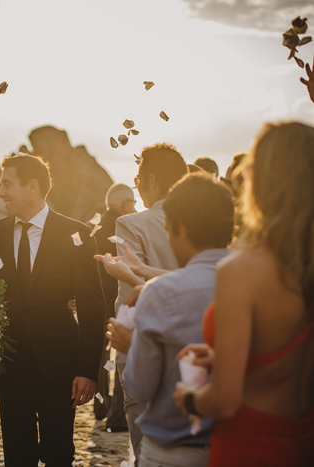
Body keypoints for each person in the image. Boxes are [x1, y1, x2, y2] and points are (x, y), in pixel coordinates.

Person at [174, 122, 314, 465]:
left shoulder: (242, 271)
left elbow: (225, 400)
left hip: (247, 446)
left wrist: (189, 399)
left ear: (261, 182)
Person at [0, 154, 105, 467]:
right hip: (9, 366)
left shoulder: (76, 234)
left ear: (31, 186)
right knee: (16, 455)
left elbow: (93, 305)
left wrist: (88, 370)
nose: (1, 192)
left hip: (60, 364)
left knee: (59, 451)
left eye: (7, 184)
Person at [123, 173, 233, 467]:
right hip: (239, 444)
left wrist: (131, 345)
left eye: (169, 231)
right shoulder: (259, 281)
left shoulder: (161, 293)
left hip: (175, 450)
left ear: (181, 230)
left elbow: (141, 388)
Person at [109, 143, 188, 463]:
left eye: (138, 178)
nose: (137, 185)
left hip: (142, 346)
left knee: (146, 453)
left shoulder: (132, 223)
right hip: (195, 347)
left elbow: (131, 297)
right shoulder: (202, 223)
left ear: (152, 180)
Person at [93, 183, 135, 431]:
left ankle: (101, 406)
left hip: (96, 302)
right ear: (124, 203)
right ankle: (117, 415)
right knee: (121, 355)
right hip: (120, 301)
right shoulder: (127, 225)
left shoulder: (94, 228)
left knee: (100, 358)